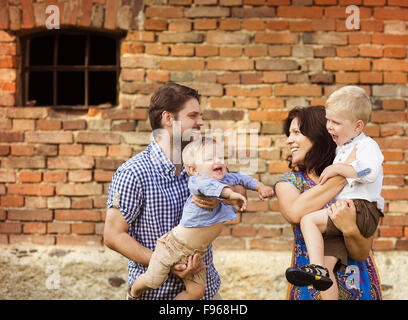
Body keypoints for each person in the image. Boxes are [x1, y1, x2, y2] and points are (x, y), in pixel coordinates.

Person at [104, 83, 245, 300]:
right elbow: (113, 236)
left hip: (205, 293)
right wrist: (165, 262)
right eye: (193, 116)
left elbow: (238, 188)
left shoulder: (200, 163)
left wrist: (221, 196)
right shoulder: (133, 172)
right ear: (169, 119)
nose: (201, 122)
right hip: (156, 295)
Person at [127, 137, 275, 299]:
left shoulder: (226, 178)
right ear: (193, 169)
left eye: (221, 157)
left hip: (197, 254)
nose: (218, 161)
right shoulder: (198, 181)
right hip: (174, 247)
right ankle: (134, 291)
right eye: (210, 159)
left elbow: (243, 179)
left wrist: (260, 186)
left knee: (197, 292)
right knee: (154, 280)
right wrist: (231, 194)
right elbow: (215, 189)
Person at [274, 105, 382, 300]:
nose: (289, 140)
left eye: (296, 132)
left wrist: (349, 228)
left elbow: (361, 253)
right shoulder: (289, 183)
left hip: (357, 286)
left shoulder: (355, 187)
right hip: (311, 291)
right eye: (289, 134)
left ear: (318, 135)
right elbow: (295, 211)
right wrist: (346, 172)